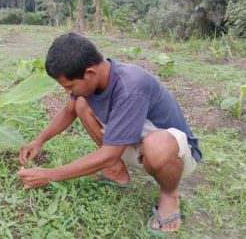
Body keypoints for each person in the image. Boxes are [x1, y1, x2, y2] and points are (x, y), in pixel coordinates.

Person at [17, 32, 202, 233]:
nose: (68, 92)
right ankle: (117, 172)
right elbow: (69, 111)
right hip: (132, 145)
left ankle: (169, 195)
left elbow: (110, 153)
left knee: (156, 144)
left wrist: (50, 175)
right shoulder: (94, 82)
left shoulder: (131, 85)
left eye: (70, 86)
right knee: (80, 103)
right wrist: (38, 141)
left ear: (89, 73)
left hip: (174, 155)